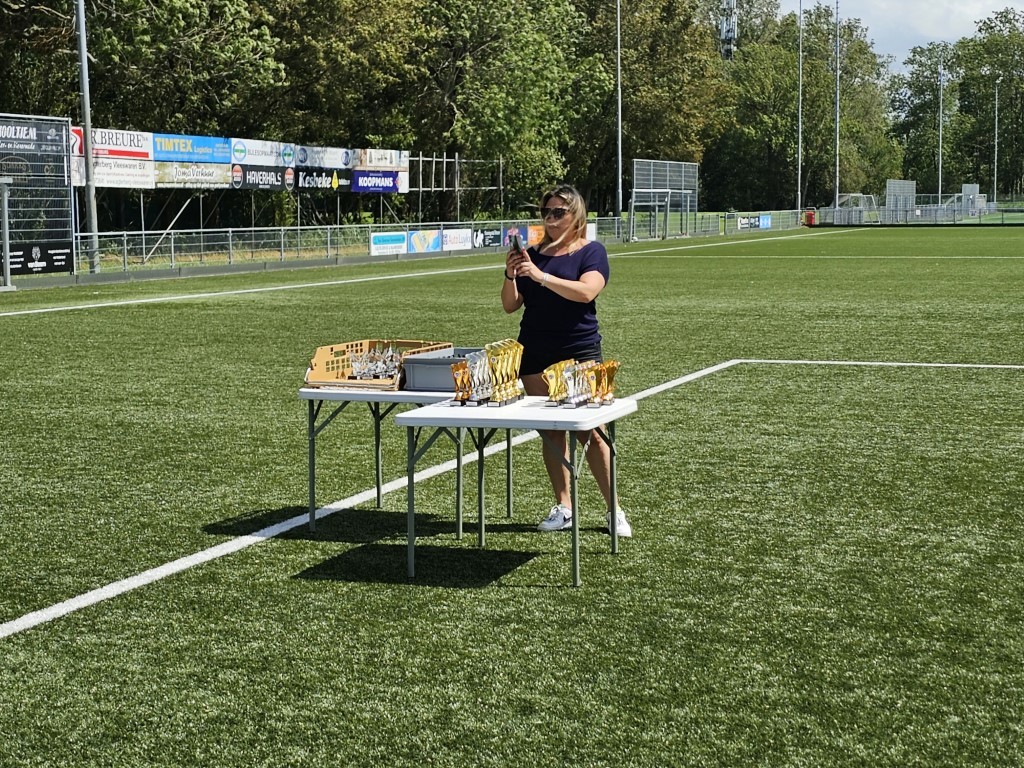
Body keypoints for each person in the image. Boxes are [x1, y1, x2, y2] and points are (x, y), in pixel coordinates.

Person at [501, 183, 632, 537]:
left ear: (576, 215)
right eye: (546, 212)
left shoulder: (591, 251)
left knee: (592, 433)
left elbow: (587, 291)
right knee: (551, 433)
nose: (551, 218)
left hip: (579, 350)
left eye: (558, 212)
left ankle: (614, 509)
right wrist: (512, 274)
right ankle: (564, 506)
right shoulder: (532, 254)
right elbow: (511, 305)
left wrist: (541, 276)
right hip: (534, 352)